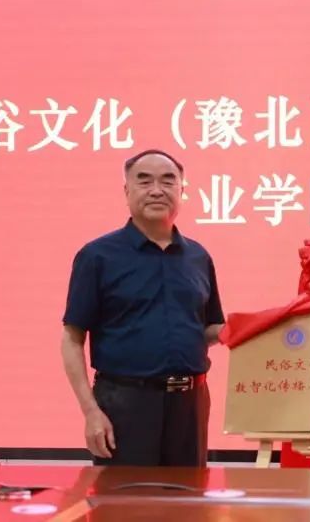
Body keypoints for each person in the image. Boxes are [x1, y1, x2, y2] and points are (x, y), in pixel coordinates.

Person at [60, 149, 225, 466]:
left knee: (189, 496)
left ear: (181, 190)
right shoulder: (97, 256)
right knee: (126, 497)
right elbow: (72, 338)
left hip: (189, 405)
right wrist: (91, 411)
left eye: (168, 181)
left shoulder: (198, 257)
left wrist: (258, 329)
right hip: (124, 405)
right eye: (145, 181)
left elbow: (207, 330)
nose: (157, 190)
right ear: (127, 191)